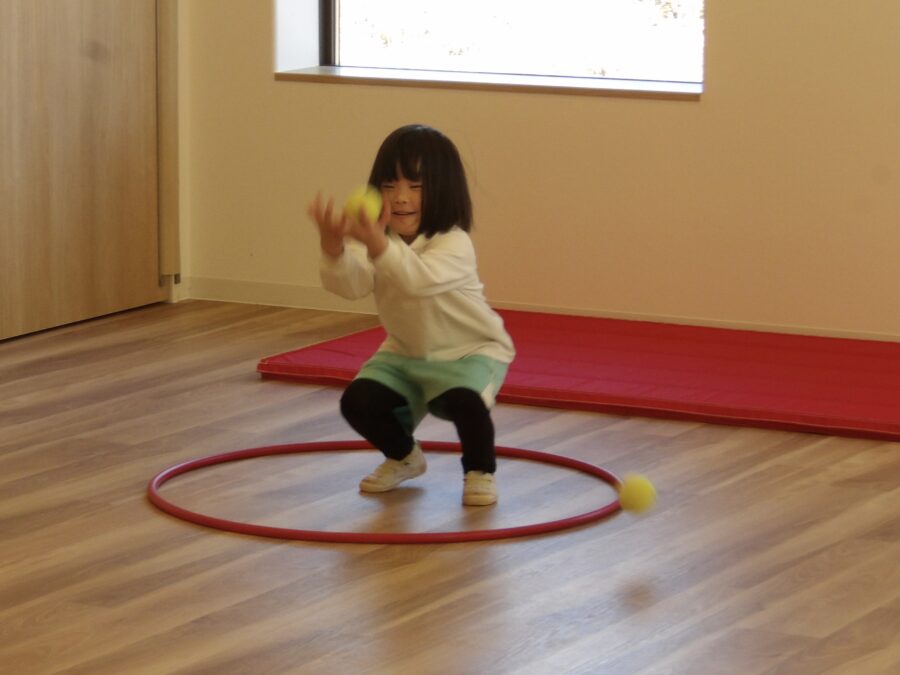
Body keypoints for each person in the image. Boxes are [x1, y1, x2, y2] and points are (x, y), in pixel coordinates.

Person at [308, 124, 515, 506]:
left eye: (416, 186)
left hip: (469, 352)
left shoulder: (453, 242)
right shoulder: (379, 239)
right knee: (358, 402)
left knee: (465, 402)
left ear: (444, 190)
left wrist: (376, 245)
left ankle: (479, 470)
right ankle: (404, 456)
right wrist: (333, 248)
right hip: (405, 351)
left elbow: (416, 281)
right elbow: (351, 286)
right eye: (389, 185)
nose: (401, 197)